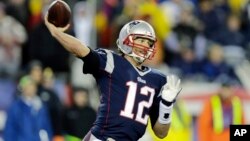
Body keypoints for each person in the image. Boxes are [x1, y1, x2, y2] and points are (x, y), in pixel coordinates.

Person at [44, 13, 182, 141]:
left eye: (149, 43)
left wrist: (166, 105)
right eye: (141, 40)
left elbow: (161, 133)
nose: (146, 46)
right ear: (125, 40)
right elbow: (80, 49)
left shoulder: (158, 79)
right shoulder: (112, 62)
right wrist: (56, 33)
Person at [3, 75, 53, 141]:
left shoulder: (41, 106)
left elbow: (47, 127)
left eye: (33, 86)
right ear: (23, 88)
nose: (31, 89)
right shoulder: (16, 107)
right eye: (28, 86)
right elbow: (10, 129)